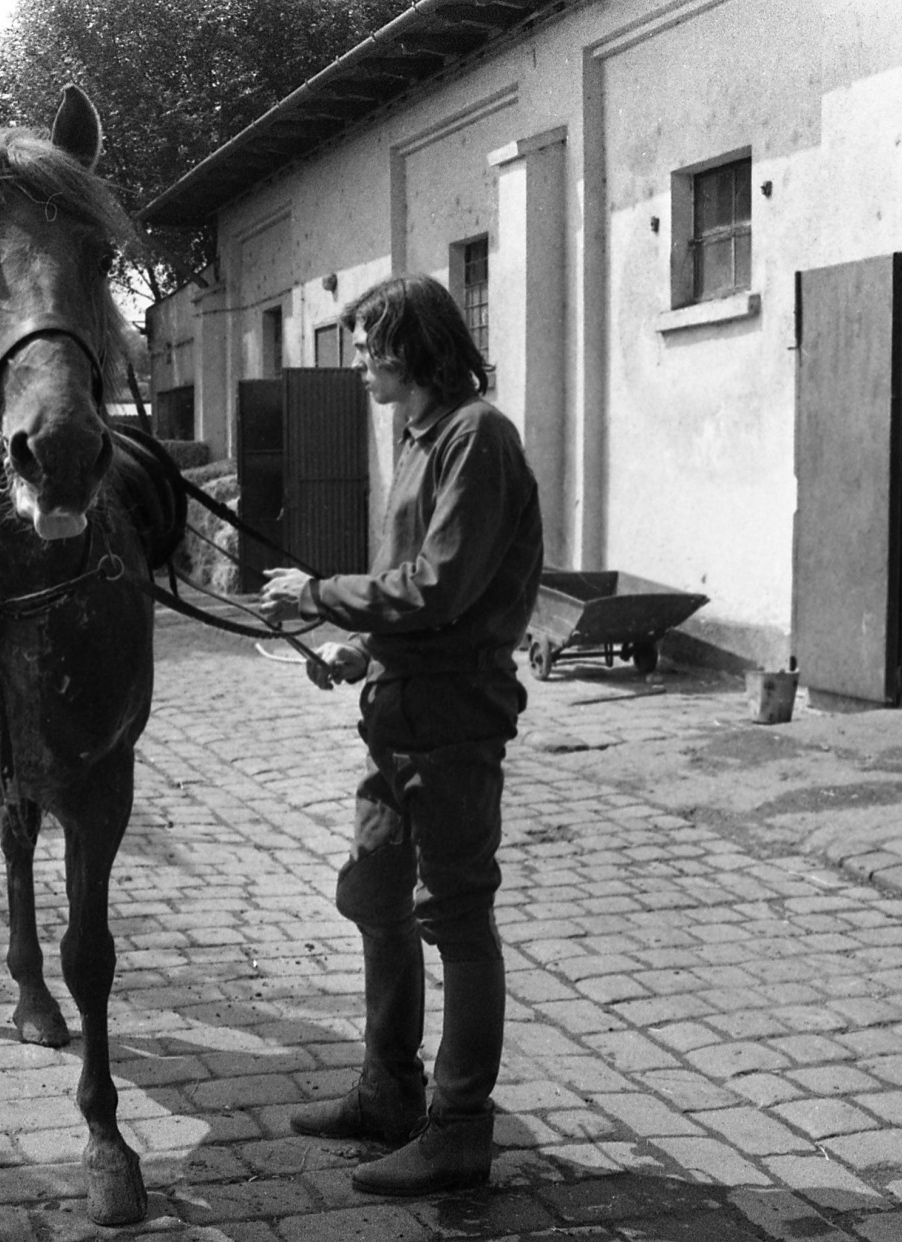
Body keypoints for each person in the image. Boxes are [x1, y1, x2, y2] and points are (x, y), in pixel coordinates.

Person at [257, 273, 543, 1196]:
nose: (359, 364)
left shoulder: (477, 438)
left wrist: (320, 593)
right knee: (374, 894)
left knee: (456, 917)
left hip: (454, 723)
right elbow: (414, 598)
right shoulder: (420, 439)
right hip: (398, 714)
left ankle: (459, 1128)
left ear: (413, 348)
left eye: (369, 345)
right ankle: (389, 1091)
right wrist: (357, 649)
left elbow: (442, 587)